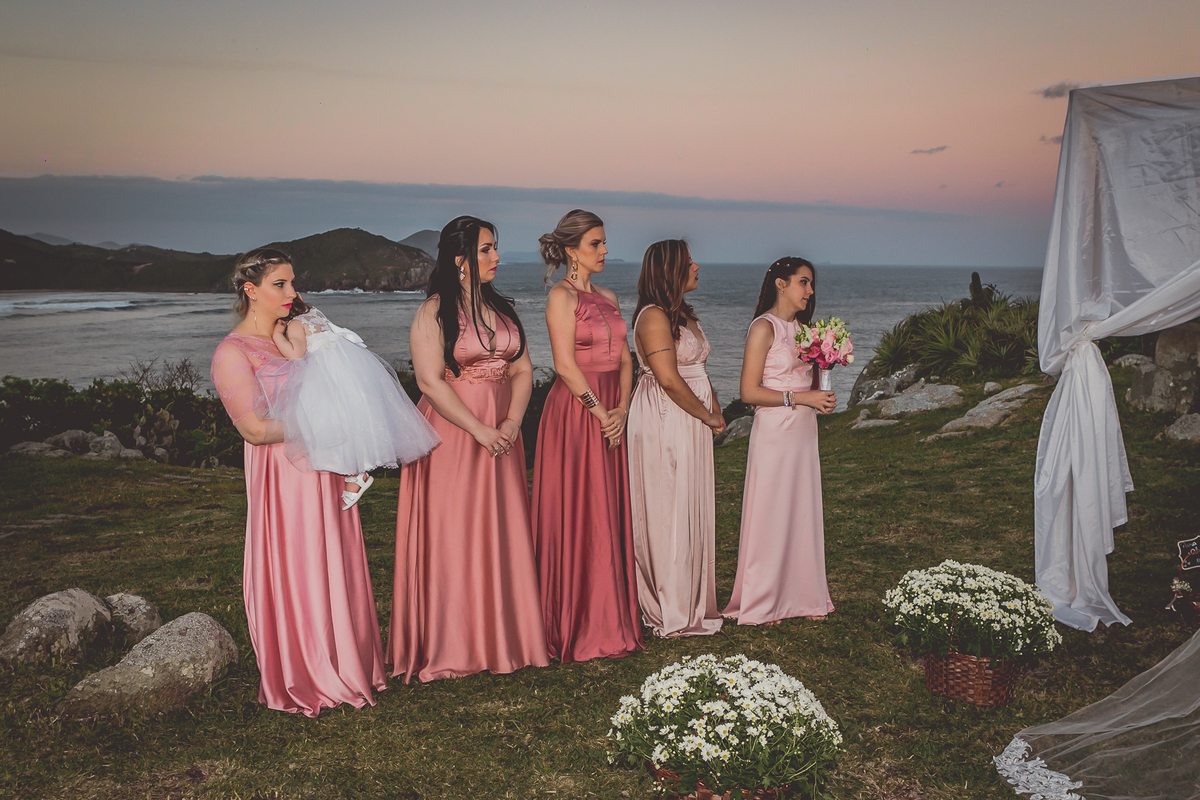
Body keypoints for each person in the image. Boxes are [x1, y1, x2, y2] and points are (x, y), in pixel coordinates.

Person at [209, 247, 387, 717]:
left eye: (292, 283)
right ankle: (306, 672)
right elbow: (252, 429)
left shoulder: (296, 336)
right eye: (280, 285)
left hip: (323, 466)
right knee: (301, 561)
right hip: (283, 476)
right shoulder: (232, 352)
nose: (293, 293)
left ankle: (348, 663)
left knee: (335, 559)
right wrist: (322, 421)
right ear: (251, 290)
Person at [388, 216, 550, 682]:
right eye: (486, 249)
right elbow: (428, 382)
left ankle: (504, 636)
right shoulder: (433, 312)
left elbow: (522, 371)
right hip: (455, 435)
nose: (496, 256)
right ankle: (454, 642)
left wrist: (513, 422)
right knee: (455, 531)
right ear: (460, 259)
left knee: (499, 529)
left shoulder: (502, 309)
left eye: (495, 247)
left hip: (503, 432)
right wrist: (480, 430)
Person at [531, 209, 643, 663]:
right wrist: (600, 415)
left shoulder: (611, 296)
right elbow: (563, 365)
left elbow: (625, 360)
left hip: (611, 408)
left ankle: (609, 614)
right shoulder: (561, 297)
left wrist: (623, 408)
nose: (604, 250)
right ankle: (575, 622)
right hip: (576, 414)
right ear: (572, 249)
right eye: (595, 243)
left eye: (603, 242)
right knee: (580, 507)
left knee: (607, 508)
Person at [723, 257, 836, 625]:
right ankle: (764, 600)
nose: (811, 291)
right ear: (781, 284)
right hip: (775, 431)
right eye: (804, 282)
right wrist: (801, 399)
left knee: (801, 508)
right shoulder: (764, 328)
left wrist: (823, 390)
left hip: (803, 432)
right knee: (771, 510)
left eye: (811, 283)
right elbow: (748, 392)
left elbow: (809, 382)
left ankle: (803, 595)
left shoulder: (807, 330)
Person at [627, 239, 726, 638]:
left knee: (690, 500)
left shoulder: (683, 315)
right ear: (670, 271)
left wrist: (714, 409)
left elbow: (698, 369)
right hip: (667, 417)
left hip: (693, 416)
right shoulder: (653, 317)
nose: (697, 266)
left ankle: (693, 597)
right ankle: (669, 603)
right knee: (667, 504)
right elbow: (668, 379)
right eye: (688, 262)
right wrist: (706, 415)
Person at [255, 303, 440, 510]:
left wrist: (278, 335)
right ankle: (356, 475)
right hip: (350, 368)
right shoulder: (315, 313)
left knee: (326, 424)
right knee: (353, 423)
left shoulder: (295, 325)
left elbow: (296, 353)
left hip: (325, 374)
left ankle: (355, 474)